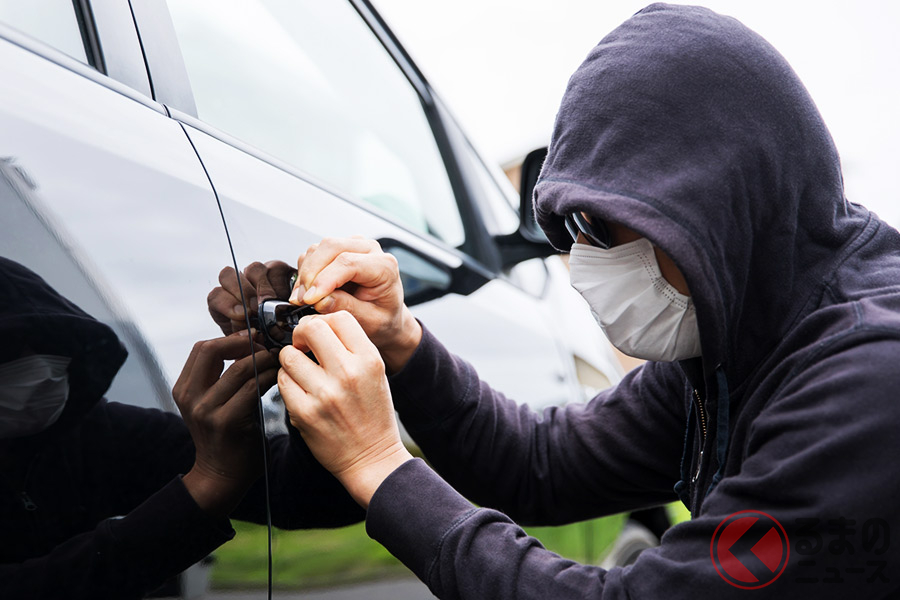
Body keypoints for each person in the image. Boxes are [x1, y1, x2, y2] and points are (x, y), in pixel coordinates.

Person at [267, 4, 900, 598]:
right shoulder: (736, 345)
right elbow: (540, 464)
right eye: (570, 232)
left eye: (601, 225)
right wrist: (402, 343)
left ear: (712, 205)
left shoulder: (867, 382)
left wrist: (380, 466)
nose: (582, 264)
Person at [0, 257, 362, 599]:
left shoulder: (101, 434)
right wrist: (207, 486)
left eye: (52, 343)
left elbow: (315, 497)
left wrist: (301, 344)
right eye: (8, 348)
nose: (40, 367)